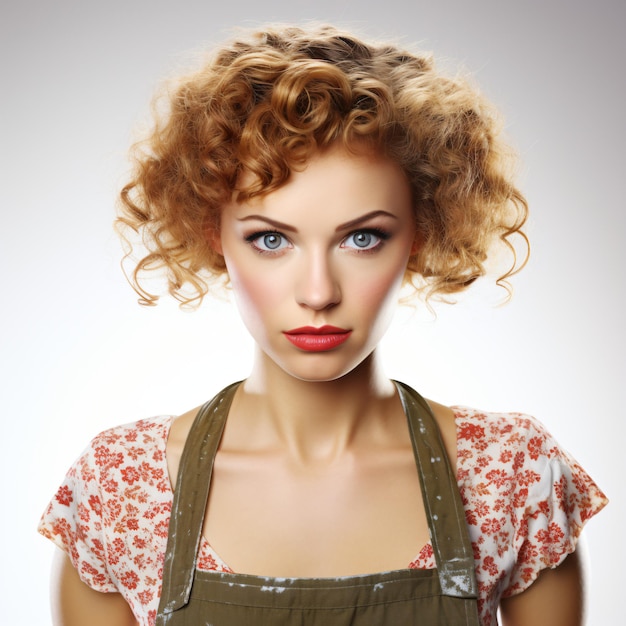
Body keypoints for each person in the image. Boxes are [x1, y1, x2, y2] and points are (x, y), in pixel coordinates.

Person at [38, 24, 607, 626]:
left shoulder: (511, 476)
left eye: (363, 238)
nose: (318, 292)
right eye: (270, 239)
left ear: (418, 236)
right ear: (214, 234)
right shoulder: (119, 490)